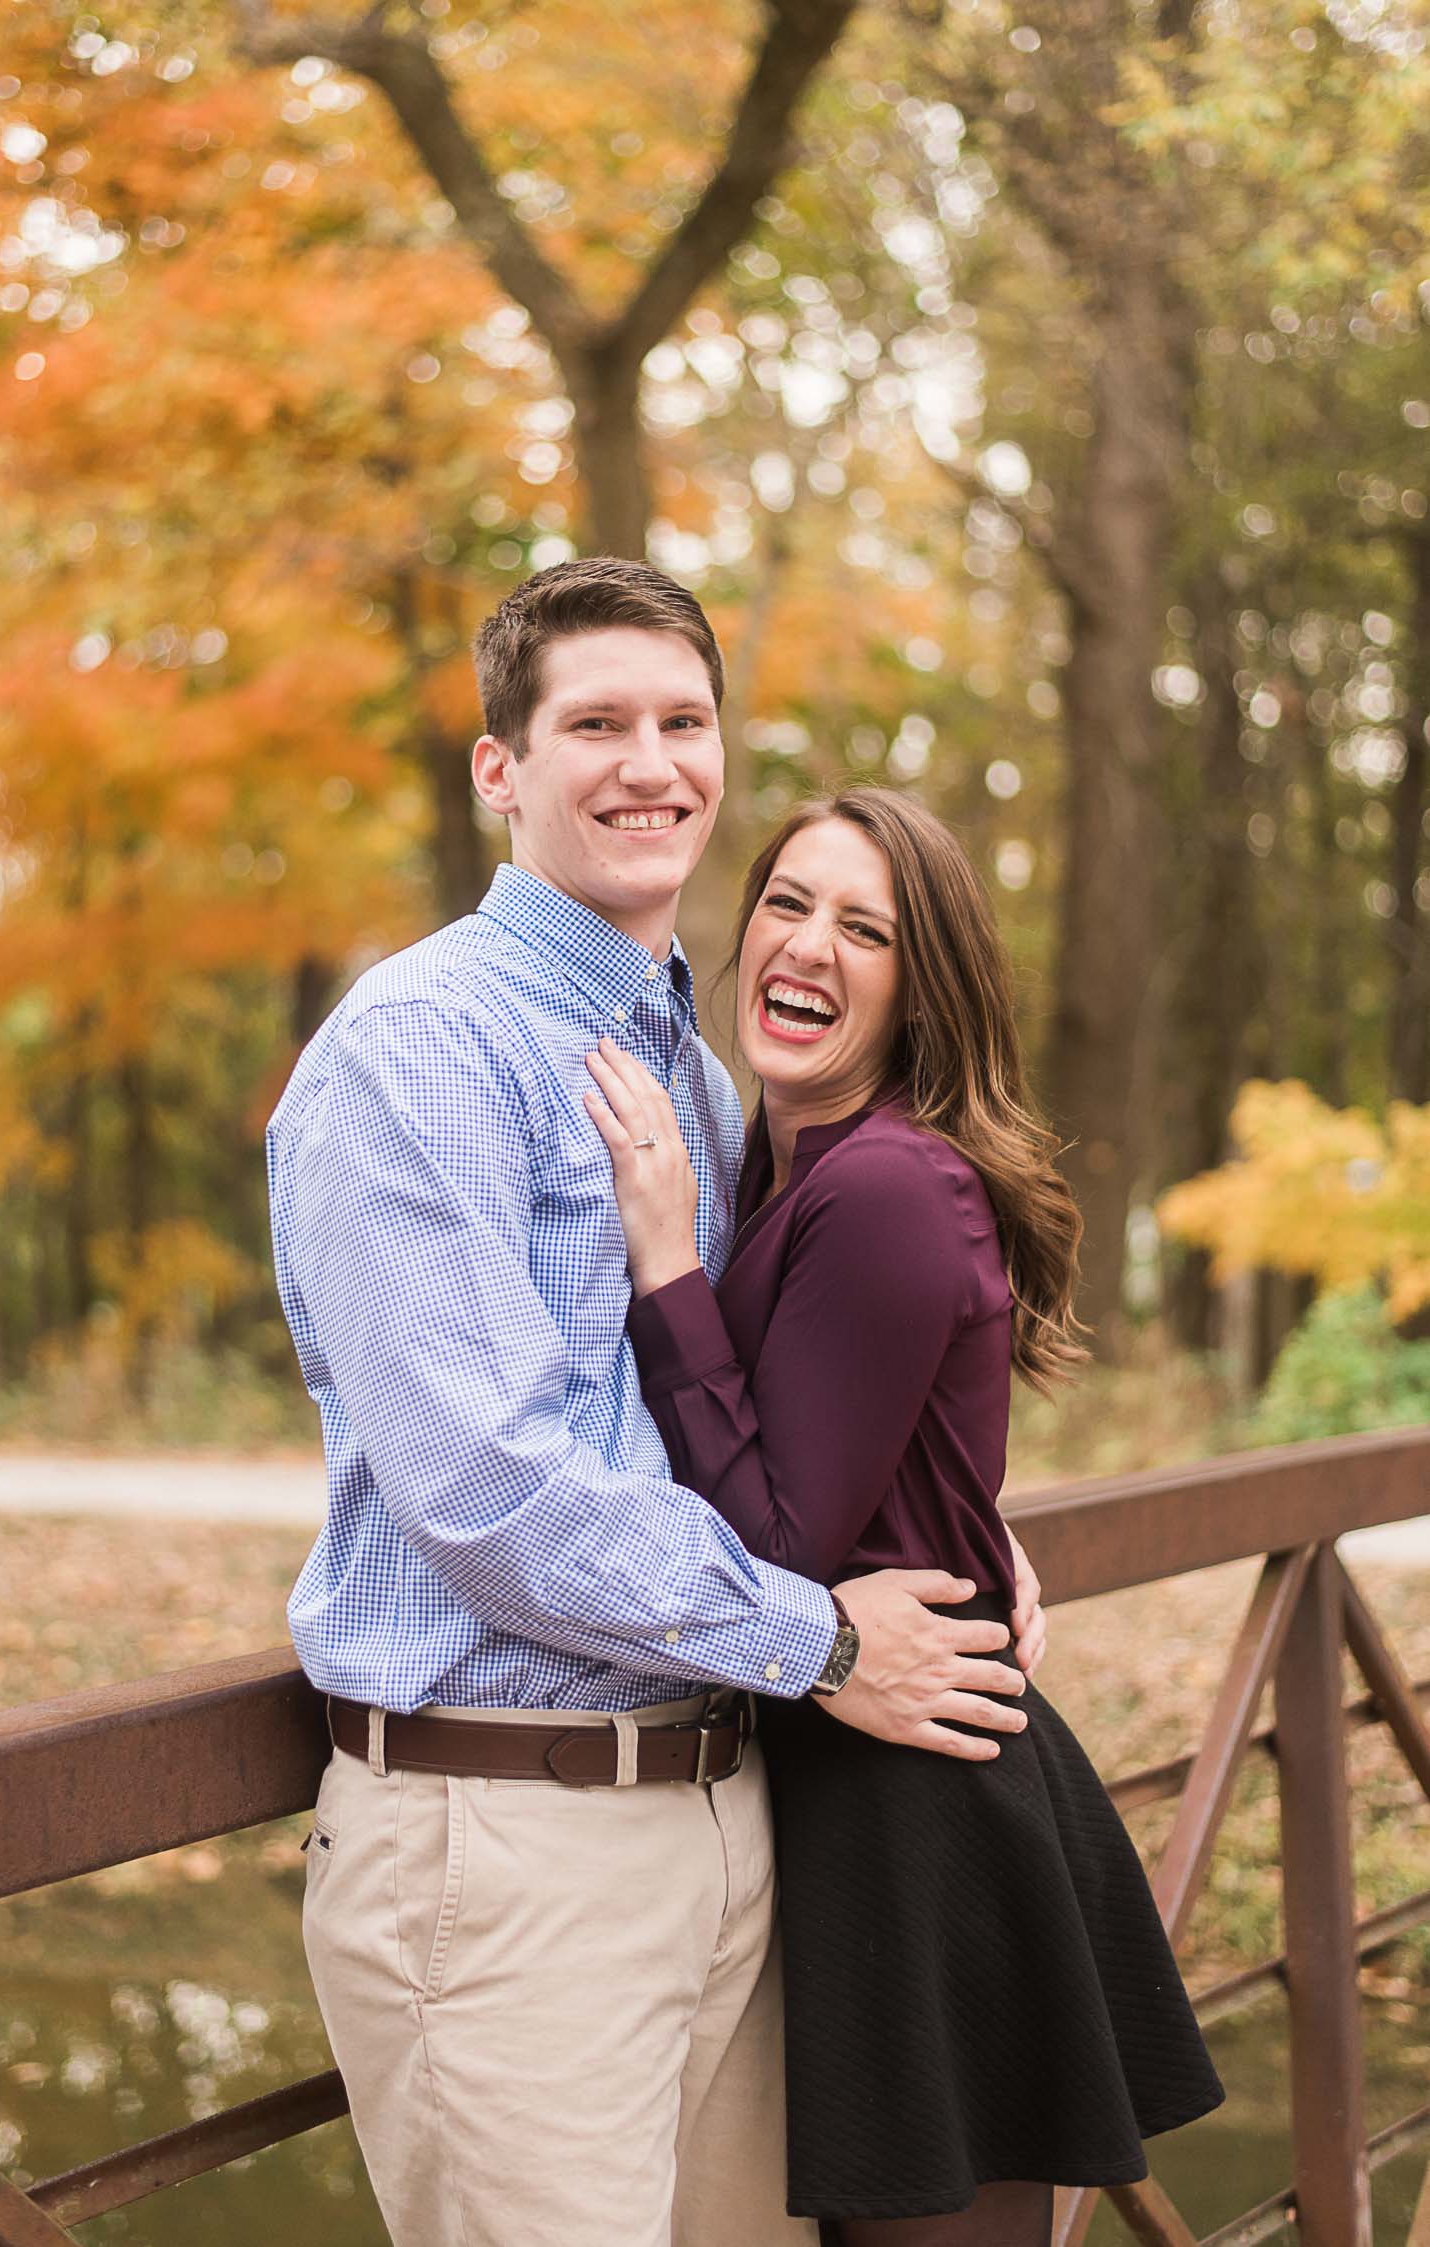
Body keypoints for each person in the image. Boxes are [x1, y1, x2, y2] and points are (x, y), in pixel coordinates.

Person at [266, 560, 1049, 2247]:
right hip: (505, 1843)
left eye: (683, 721)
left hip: (732, 1815)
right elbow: (489, 1491)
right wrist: (826, 1641)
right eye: (595, 723)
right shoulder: (420, 1052)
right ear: (502, 770)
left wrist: (964, 1542)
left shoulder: (701, 1076)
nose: (650, 763)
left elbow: (775, 1413)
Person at [583, 786, 1225, 2247]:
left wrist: (669, 1270)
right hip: (865, 1781)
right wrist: (973, 1521)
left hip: (921, 1808)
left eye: (864, 927)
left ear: (918, 989)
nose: (808, 944)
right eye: (788, 903)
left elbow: (786, 1552)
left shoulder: (882, 1184)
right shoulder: (798, 1166)